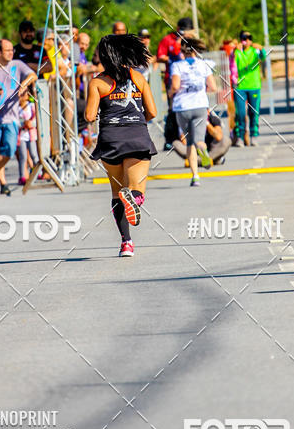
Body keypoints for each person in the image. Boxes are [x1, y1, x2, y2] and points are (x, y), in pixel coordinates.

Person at [85, 34, 157, 257]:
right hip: (136, 136)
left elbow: (89, 116)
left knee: (117, 193)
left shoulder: (97, 82)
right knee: (136, 187)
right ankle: (135, 198)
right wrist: (135, 121)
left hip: (110, 140)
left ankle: (126, 242)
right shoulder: (138, 77)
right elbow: (152, 112)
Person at [0, 38, 36, 194]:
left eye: (12, 50)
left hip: (11, 117)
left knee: (9, 150)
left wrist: (24, 84)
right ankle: (3, 184)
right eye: (8, 50)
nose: (12, 53)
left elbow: (33, 75)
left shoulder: (17, 65)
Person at [169, 36, 216, 186]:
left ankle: (195, 176)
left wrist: (170, 93)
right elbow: (213, 87)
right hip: (200, 105)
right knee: (199, 140)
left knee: (189, 142)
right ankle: (204, 151)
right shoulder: (204, 65)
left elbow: (175, 86)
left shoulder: (177, 65)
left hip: (182, 107)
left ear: (183, 50)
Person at [157, 17, 193, 147]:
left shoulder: (191, 39)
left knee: (189, 108)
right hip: (172, 80)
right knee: (173, 109)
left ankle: (190, 136)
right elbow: (160, 56)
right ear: (179, 29)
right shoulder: (168, 40)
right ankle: (170, 139)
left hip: (188, 79)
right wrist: (171, 57)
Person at [231, 31, 266, 146]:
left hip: (254, 86)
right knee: (240, 113)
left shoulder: (255, 51)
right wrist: (233, 51)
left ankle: (254, 135)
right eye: (244, 38)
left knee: (253, 112)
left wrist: (261, 49)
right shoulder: (237, 52)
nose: (247, 40)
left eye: (249, 38)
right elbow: (232, 64)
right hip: (240, 86)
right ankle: (240, 137)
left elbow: (263, 57)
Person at [17, 92, 38, 184]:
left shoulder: (31, 106)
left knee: (34, 154)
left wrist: (30, 124)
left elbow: (36, 120)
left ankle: (38, 172)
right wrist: (22, 124)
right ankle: (22, 176)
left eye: (24, 93)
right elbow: (15, 121)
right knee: (23, 156)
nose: (23, 96)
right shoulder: (16, 109)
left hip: (31, 135)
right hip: (21, 136)